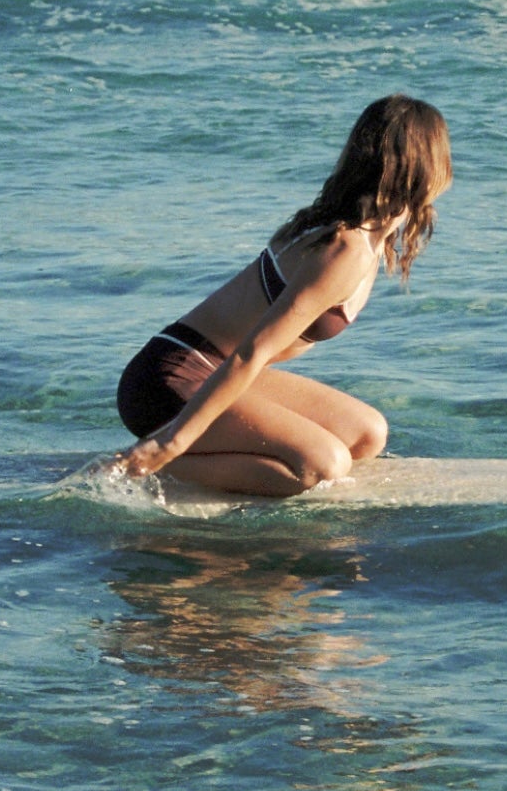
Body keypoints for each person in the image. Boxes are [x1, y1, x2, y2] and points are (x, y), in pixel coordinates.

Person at [114, 95, 451, 496]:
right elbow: (251, 352)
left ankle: (190, 457)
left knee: (367, 434)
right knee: (323, 465)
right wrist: (171, 442)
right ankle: (142, 467)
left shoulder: (367, 233)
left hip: (215, 370)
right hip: (168, 380)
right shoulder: (343, 248)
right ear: (425, 167)